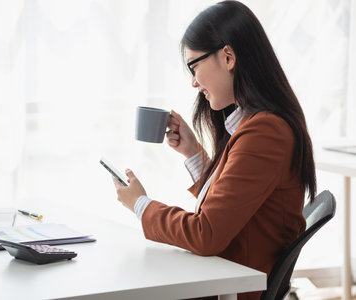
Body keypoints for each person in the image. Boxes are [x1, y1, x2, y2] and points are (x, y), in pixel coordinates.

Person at [112, 1, 316, 299]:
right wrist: (194, 154)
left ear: (228, 56)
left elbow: (205, 233)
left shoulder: (265, 132)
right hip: (223, 279)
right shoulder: (257, 125)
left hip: (230, 289)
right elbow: (237, 205)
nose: (194, 82)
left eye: (194, 66)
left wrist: (140, 204)